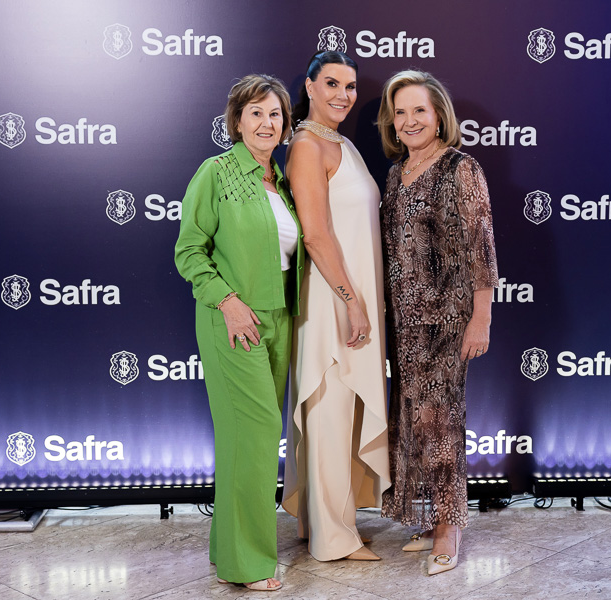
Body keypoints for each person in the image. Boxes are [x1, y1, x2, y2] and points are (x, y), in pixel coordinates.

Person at [175, 74, 302, 591]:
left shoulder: (284, 181)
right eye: (256, 113)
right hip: (233, 320)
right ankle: (248, 564)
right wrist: (227, 302)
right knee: (254, 436)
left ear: (285, 123)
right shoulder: (217, 172)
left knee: (246, 439)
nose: (266, 123)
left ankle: (226, 547)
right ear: (237, 120)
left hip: (280, 319)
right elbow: (189, 250)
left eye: (275, 114)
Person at [376, 70, 498, 576]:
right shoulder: (395, 174)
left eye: (419, 110)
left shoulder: (460, 168)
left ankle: (449, 528)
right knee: (413, 420)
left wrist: (480, 318)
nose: (409, 121)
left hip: (447, 320)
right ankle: (429, 519)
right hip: (404, 324)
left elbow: (481, 247)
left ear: (439, 115)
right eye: (400, 112)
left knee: (441, 421)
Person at [281, 51, 390, 562]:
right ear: (309, 86)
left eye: (350, 86)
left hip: (351, 297)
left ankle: (322, 522)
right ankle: (332, 537)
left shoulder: (340, 142)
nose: (343, 95)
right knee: (329, 409)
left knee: (340, 412)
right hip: (332, 300)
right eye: (331, 83)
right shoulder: (306, 146)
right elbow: (317, 236)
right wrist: (352, 302)